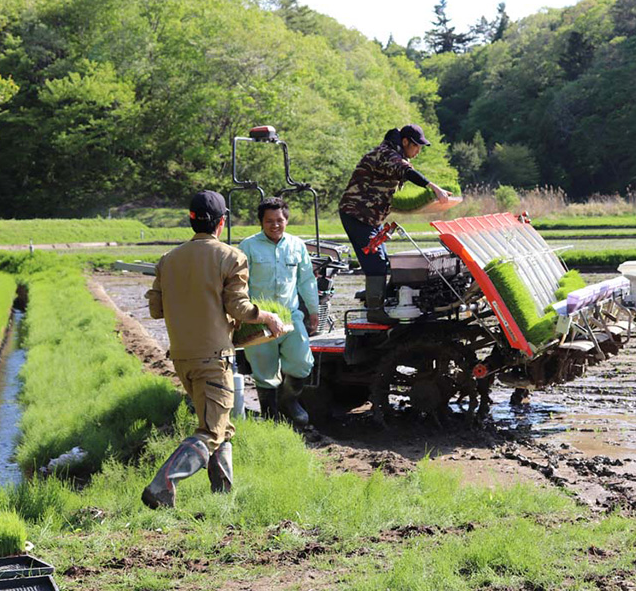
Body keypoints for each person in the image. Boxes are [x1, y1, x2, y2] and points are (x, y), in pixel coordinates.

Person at [142, 190, 286, 509]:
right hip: (214, 359)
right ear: (221, 223)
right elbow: (240, 308)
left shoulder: (168, 260)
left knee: (223, 426)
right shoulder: (230, 256)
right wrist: (268, 316)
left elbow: (155, 309)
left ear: (191, 221)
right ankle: (162, 485)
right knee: (209, 431)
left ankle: (223, 496)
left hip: (182, 358)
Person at [338, 124, 450, 323]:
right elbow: (406, 171)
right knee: (376, 264)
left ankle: (379, 300)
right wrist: (434, 188)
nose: (418, 151)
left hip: (372, 218)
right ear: (405, 142)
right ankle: (375, 310)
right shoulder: (386, 154)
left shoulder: (393, 154)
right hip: (357, 214)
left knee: (385, 263)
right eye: (416, 146)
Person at [238, 197, 319, 427]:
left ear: (286, 220)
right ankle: (271, 417)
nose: (275, 225)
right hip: (259, 319)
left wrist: (313, 310)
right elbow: (239, 283)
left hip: (290, 317)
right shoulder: (248, 246)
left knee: (303, 362)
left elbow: (306, 280)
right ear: (261, 222)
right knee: (265, 370)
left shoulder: (296, 246)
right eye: (269, 221)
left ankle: (289, 401)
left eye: (279, 220)